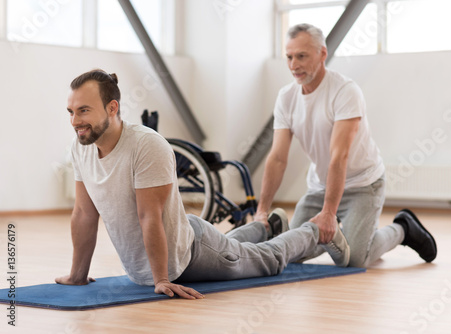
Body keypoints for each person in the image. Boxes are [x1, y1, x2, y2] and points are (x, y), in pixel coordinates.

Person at [55, 69, 349, 300]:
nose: (74, 121)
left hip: (190, 256)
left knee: (269, 260)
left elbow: (149, 216)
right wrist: (77, 275)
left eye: (83, 111)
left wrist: (161, 280)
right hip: (163, 253)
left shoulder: (146, 145)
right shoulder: (80, 146)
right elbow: (83, 213)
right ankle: (267, 226)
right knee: (234, 247)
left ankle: (315, 230)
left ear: (112, 108)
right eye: (71, 112)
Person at [254, 23, 437, 268]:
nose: (293, 65)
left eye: (301, 56)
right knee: (293, 253)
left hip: (362, 184)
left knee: (355, 259)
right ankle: (342, 235)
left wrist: (329, 213)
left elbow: (339, 156)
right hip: (320, 186)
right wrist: (262, 210)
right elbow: (277, 158)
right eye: (289, 57)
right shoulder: (286, 98)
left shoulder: (345, 91)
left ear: (322, 53)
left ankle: (403, 228)